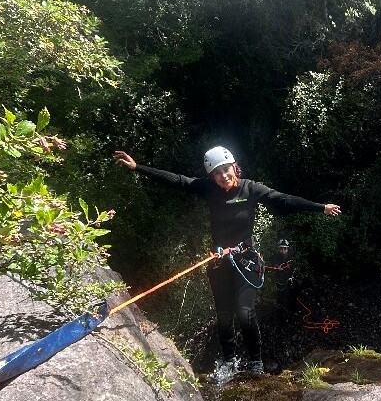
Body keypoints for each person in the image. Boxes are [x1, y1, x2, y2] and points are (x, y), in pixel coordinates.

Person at [113, 146, 340, 375]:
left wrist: (320, 207)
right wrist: (137, 167)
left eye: (226, 169)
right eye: (217, 173)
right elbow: (179, 181)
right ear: (212, 177)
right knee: (223, 316)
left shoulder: (250, 188)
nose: (223, 176)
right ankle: (229, 361)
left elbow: (283, 199)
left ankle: (255, 362)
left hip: (247, 260)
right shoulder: (208, 189)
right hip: (219, 261)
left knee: (244, 312)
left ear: (234, 167)